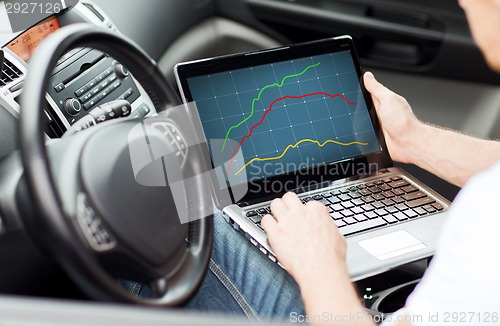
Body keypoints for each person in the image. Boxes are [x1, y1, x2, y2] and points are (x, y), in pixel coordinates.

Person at [183, 1, 500, 324]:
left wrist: (317, 263)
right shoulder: (486, 209)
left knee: (189, 215)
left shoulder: (483, 224)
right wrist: (412, 139)